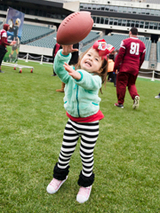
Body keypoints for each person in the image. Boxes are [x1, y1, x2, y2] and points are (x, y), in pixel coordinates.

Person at [46, 39, 114, 203]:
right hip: (72, 123)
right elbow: (58, 70)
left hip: (90, 125)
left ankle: (86, 184)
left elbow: (88, 82)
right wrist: (63, 54)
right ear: (82, 56)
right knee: (65, 151)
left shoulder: (95, 80)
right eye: (89, 55)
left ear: (101, 68)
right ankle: (60, 176)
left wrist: (78, 75)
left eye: (96, 59)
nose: (91, 58)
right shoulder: (71, 74)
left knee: (86, 155)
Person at [113, 27, 146, 109]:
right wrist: (138, 67)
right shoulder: (142, 44)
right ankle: (135, 96)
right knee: (131, 84)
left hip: (125, 66)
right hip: (135, 67)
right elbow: (142, 58)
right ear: (137, 34)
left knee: (121, 84)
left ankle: (120, 103)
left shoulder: (125, 42)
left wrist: (115, 67)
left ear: (130, 32)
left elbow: (120, 55)